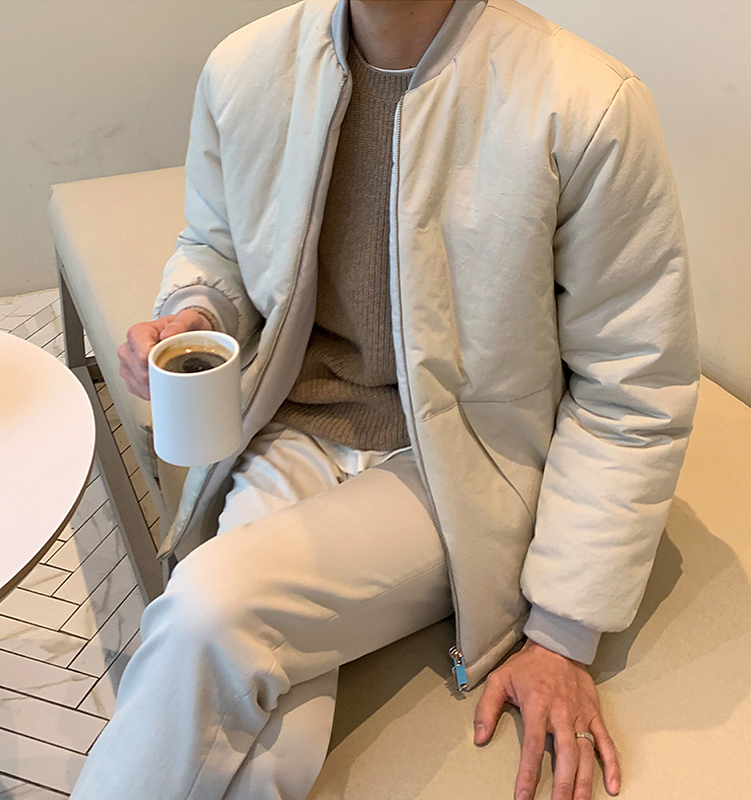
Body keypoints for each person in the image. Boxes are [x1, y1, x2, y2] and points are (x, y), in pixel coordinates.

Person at [71, 1, 699, 799]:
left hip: (461, 471)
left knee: (208, 607)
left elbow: (632, 383)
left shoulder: (586, 104)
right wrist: (196, 312)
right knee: (268, 751)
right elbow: (216, 243)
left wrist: (562, 634)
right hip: (292, 428)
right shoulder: (246, 67)